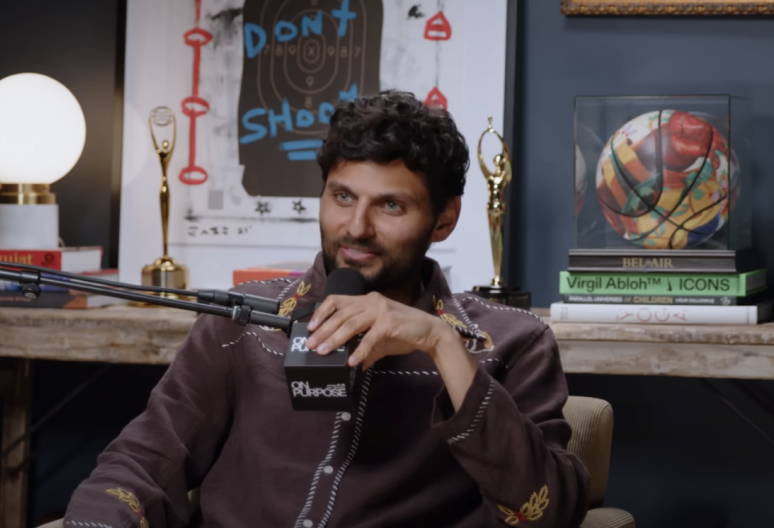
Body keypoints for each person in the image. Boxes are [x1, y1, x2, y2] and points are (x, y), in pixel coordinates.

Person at [62, 91, 590, 528]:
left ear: (444, 219)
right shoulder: (241, 323)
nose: (356, 227)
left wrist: (442, 345)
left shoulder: (513, 342)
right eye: (342, 197)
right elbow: (144, 464)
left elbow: (548, 511)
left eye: (390, 206)